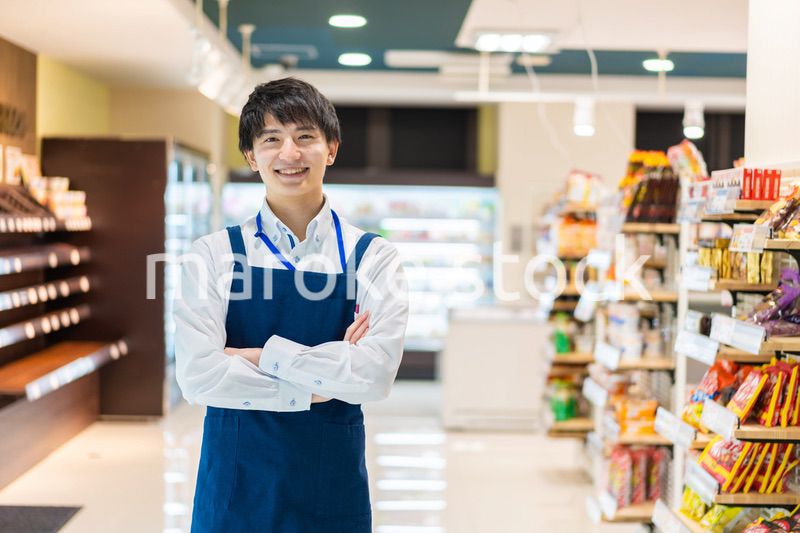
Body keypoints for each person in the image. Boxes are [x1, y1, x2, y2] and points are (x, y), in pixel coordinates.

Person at [174, 77, 409, 533]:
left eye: (305, 137)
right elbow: (199, 377)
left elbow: (374, 376)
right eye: (271, 140)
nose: (290, 154)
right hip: (233, 489)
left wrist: (263, 357)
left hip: (331, 488)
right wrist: (324, 381)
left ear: (332, 148)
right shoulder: (213, 255)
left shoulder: (373, 257)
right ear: (250, 155)